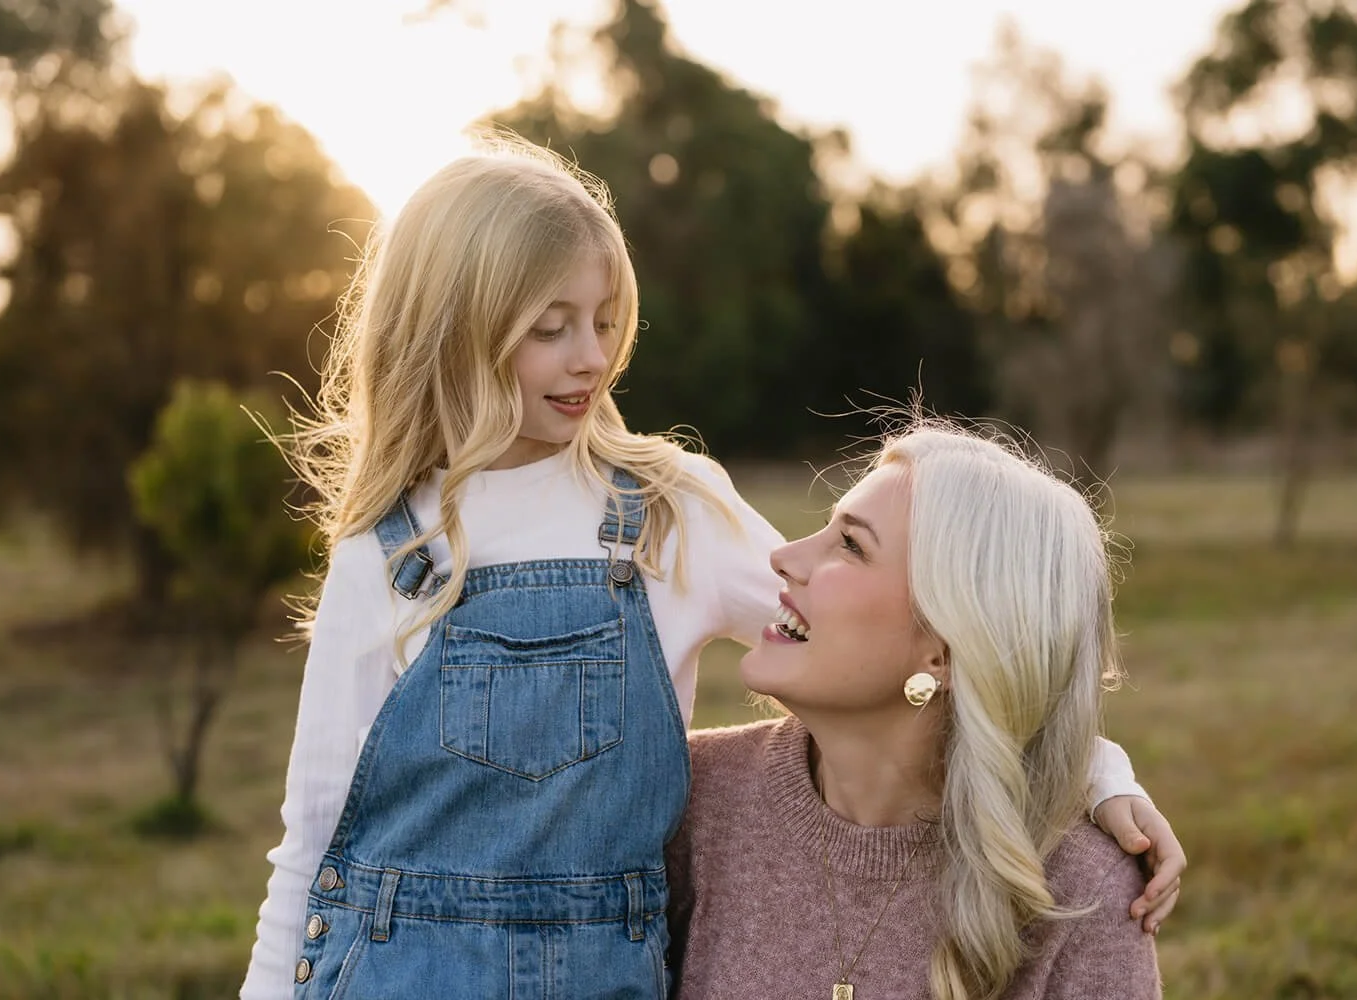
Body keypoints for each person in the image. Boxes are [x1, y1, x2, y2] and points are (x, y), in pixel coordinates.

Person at [240, 138, 1178, 998]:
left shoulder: (664, 509)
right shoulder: (390, 544)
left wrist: (1092, 766)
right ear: (455, 329)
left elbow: (922, 640)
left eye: (607, 320)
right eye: (551, 327)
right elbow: (315, 837)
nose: (593, 358)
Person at [668, 422, 1174, 1000]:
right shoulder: (691, 801)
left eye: (851, 545)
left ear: (945, 651)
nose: (784, 556)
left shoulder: (1083, 893)